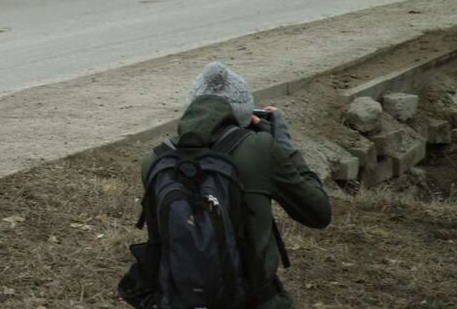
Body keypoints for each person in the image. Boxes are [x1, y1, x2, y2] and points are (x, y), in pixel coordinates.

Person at [126, 62, 332, 309]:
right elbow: (318, 213)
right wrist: (283, 144)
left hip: (177, 299)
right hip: (254, 300)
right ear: (244, 115)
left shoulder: (155, 160)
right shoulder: (261, 149)